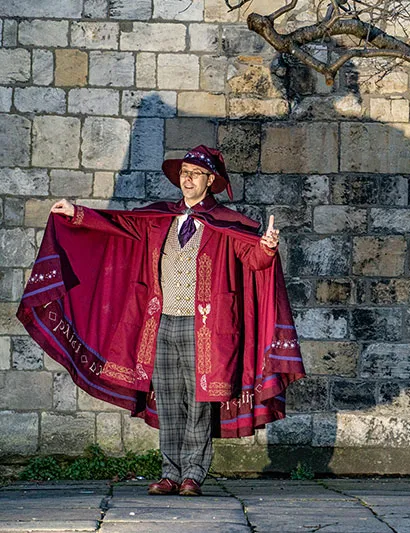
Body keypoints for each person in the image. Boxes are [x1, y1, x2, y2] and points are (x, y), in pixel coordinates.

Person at [17, 145, 305, 497]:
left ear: (210, 181)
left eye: (195, 174)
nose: (187, 179)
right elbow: (117, 224)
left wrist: (268, 246)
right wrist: (76, 213)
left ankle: (192, 475)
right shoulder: (161, 218)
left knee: (199, 403)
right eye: (184, 172)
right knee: (168, 400)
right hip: (162, 323)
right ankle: (170, 473)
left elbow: (255, 260)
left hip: (206, 328)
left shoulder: (228, 224)